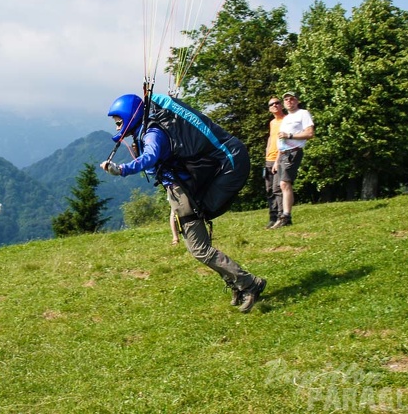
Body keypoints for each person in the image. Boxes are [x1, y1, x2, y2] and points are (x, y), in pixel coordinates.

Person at [100, 93, 266, 313]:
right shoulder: (148, 130)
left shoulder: (153, 133)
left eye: (119, 121)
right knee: (195, 248)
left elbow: (149, 157)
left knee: (200, 249)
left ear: (130, 116)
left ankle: (249, 283)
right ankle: (238, 284)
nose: (117, 126)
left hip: (183, 193)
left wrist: (122, 169)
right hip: (177, 192)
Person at [270, 91, 314, 229]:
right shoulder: (286, 118)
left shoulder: (303, 113)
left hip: (293, 152)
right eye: (286, 100)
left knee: (284, 183)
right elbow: (281, 141)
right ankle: (282, 216)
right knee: (279, 186)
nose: (289, 101)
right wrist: (277, 160)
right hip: (283, 154)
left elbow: (310, 133)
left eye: (292, 99)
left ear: (297, 101)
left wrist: (290, 136)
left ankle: (286, 216)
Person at [264, 97, 285, 229]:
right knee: (269, 189)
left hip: (280, 158)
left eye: (277, 103)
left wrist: (278, 160)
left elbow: (285, 143)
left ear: (281, 105)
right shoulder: (272, 123)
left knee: (278, 188)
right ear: (270, 108)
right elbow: (271, 139)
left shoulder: (286, 120)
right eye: (272, 104)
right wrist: (266, 154)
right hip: (269, 159)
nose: (275, 105)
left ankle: (281, 216)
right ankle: (272, 217)